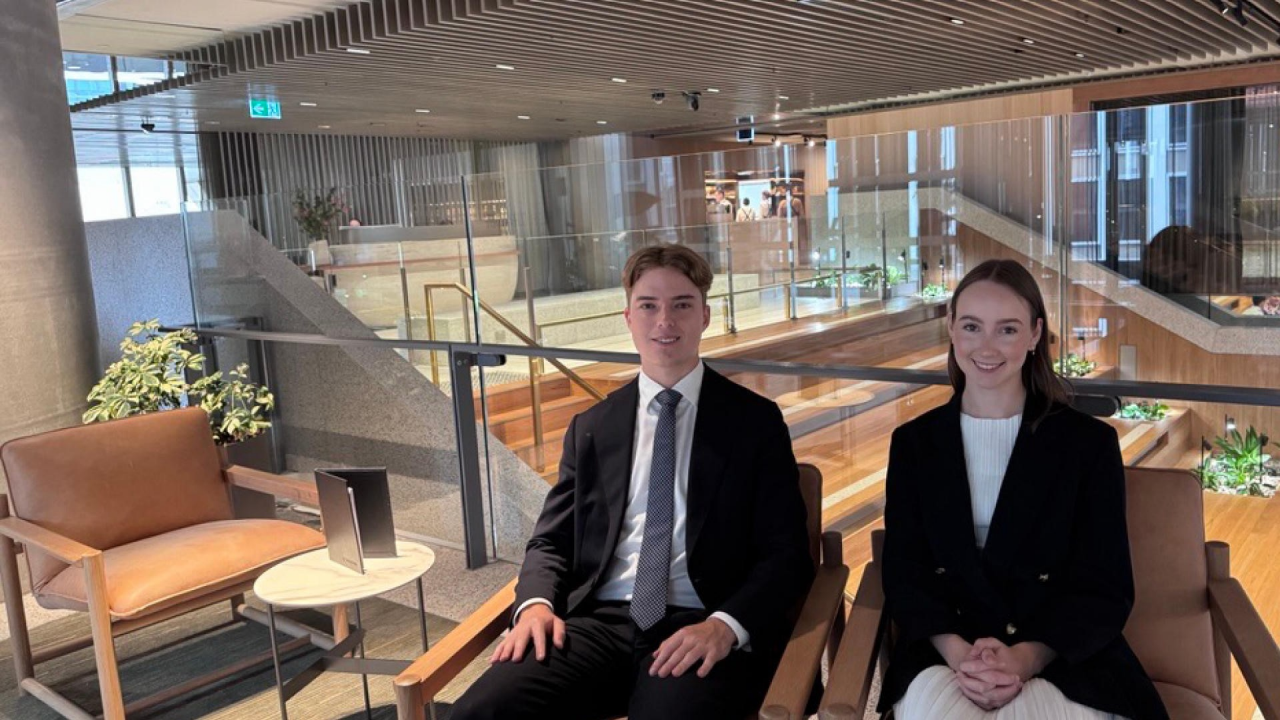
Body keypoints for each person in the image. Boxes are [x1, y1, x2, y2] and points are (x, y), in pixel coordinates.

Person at [451, 243, 814, 720]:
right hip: (601, 622)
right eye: (648, 306)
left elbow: (786, 554)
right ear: (628, 318)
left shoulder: (754, 423)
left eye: (681, 305)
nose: (664, 320)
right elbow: (551, 542)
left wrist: (725, 625)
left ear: (705, 316)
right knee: (480, 710)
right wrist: (536, 605)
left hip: (699, 621)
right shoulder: (592, 427)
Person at [877, 259, 1167, 720]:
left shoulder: (1088, 444)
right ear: (951, 328)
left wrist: (1025, 659)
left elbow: (1104, 583)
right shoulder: (913, 443)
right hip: (947, 651)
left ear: (1034, 335)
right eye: (972, 326)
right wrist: (960, 654)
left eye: (1007, 330)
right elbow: (905, 570)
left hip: (1061, 654)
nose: (986, 346)